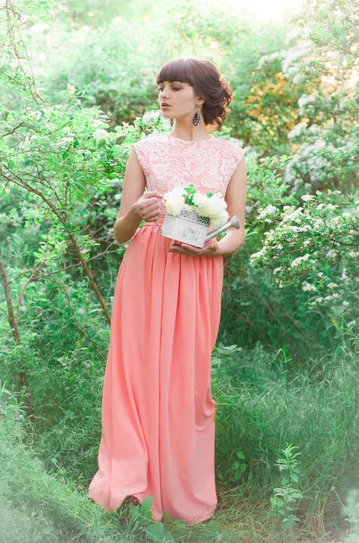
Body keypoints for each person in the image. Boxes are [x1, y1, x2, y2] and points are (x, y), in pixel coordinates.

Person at [88, 57, 247, 525]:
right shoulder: (144, 150)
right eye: (161, 86)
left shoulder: (230, 156)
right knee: (136, 372)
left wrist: (216, 249)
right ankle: (133, 484)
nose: (163, 94)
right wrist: (138, 211)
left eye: (174, 87)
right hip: (147, 267)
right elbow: (120, 232)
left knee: (187, 378)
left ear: (199, 97)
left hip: (199, 272)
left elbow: (238, 228)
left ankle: (180, 487)